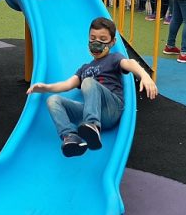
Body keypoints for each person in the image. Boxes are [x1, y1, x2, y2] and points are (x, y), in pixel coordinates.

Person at [26, 17, 157, 157]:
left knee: (88, 82)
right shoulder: (84, 68)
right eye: (93, 38)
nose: (96, 42)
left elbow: (129, 63)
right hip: (91, 113)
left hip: (110, 108)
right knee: (53, 100)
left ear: (112, 42)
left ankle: (92, 125)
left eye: (102, 39)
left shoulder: (114, 58)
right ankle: (71, 136)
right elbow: (66, 85)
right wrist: (45, 87)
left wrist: (145, 76)